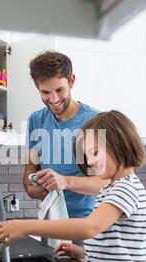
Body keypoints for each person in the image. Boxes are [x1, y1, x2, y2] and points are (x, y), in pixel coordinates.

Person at [0, 111, 146, 262]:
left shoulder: (126, 188)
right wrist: (83, 254)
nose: (90, 162)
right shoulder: (109, 188)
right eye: (87, 156)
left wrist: (26, 227)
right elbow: (113, 247)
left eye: (94, 152)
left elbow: (89, 227)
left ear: (119, 144)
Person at [24, 51, 110, 219]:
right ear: (37, 87)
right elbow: (29, 174)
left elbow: (104, 182)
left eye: (59, 90)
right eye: (46, 92)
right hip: (52, 221)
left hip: (88, 224)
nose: (54, 99)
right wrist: (32, 188)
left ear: (71, 81)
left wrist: (64, 182)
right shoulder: (35, 120)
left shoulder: (94, 121)